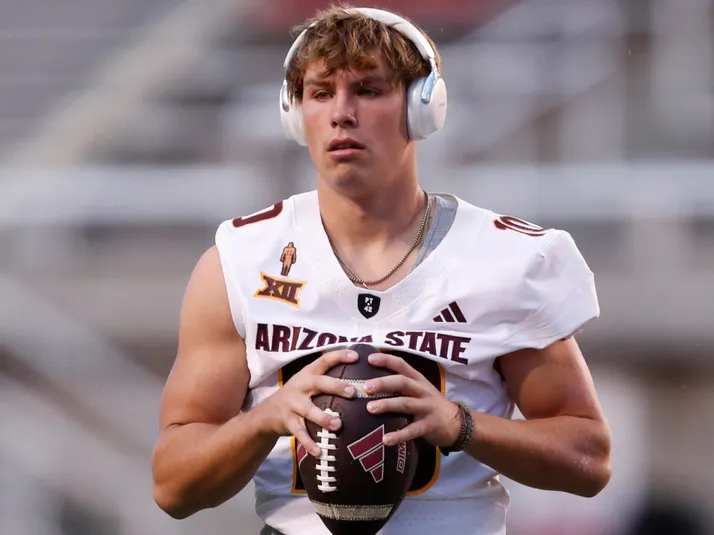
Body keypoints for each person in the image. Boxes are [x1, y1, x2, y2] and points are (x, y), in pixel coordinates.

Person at [151, 5, 612, 535]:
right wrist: (264, 420)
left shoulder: (501, 259)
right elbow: (173, 486)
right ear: (295, 112)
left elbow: (589, 459)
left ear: (423, 107)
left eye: (368, 90)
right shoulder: (241, 260)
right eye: (321, 93)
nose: (341, 114)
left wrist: (461, 426)